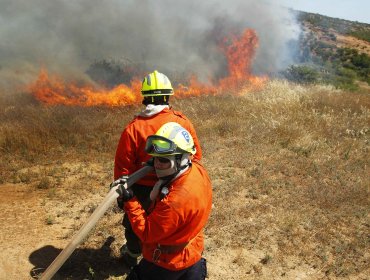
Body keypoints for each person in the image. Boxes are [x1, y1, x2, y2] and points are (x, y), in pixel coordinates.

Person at [114, 70, 203, 268]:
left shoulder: (134, 129)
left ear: (145, 98)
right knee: (170, 224)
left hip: (142, 190)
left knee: (136, 225)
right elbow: (195, 156)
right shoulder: (182, 122)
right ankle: (164, 255)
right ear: (167, 96)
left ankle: (132, 254)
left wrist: (124, 196)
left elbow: (123, 169)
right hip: (176, 188)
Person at [118, 122, 212, 280]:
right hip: (192, 253)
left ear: (181, 159)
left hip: (166, 264)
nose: (156, 164)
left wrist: (130, 200)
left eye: (163, 160)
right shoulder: (196, 170)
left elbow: (147, 233)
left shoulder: (175, 201)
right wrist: (157, 162)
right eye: (154, 159)